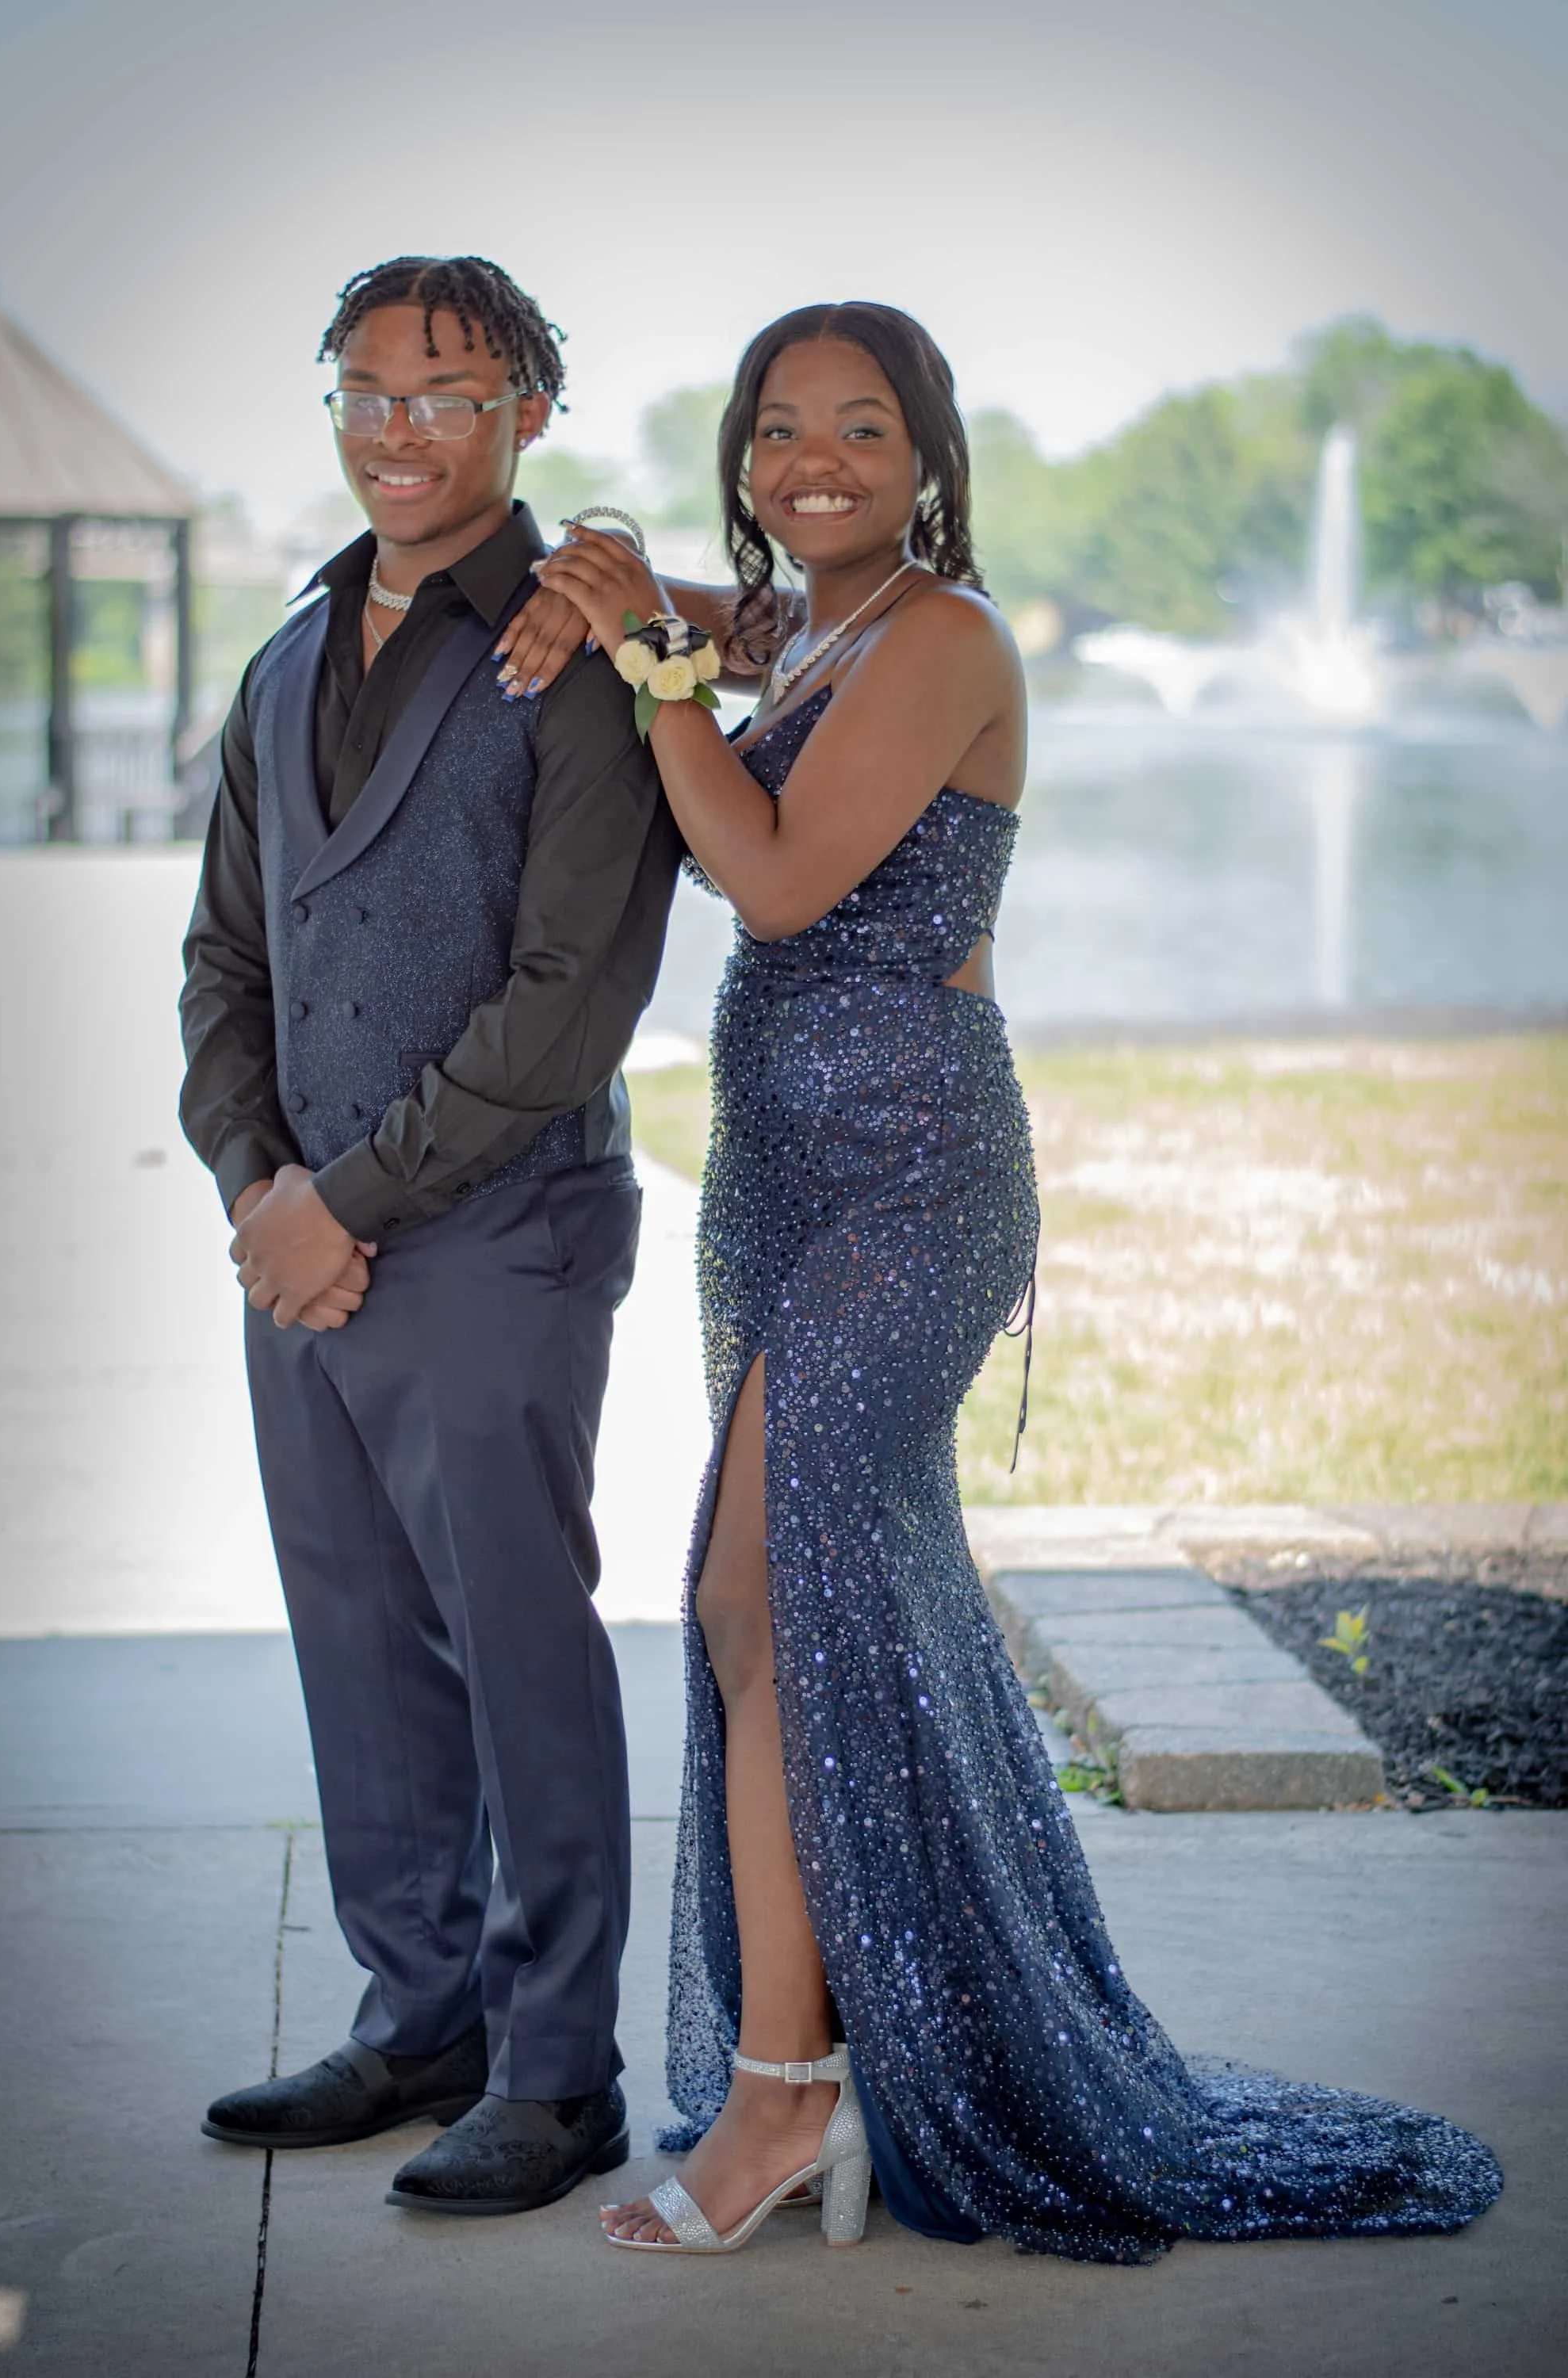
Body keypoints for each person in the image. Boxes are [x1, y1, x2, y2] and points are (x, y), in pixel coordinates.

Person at [497, 300, 1503, 2258]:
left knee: (759, 1598)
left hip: (914, 1185)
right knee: (787, 1610)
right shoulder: (808, 630)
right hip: (777, 1174)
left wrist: (651, 664)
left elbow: (775, 876)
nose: (814, 461)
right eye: (778, 429)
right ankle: (832, 2062)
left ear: (929, 458)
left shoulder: (943, 638)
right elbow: (666, 607)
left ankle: (786, 2100)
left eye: (861, 428)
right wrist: (598, 573)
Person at [178, 254, 681, 2216]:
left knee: (515, 1644)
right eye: (367, 390)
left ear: (526, 414)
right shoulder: (282, 661)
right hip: (297, 1238)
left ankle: (558, 2075)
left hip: (498, 1223)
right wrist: (256, 1188)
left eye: (449, 392)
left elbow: (571, 1002)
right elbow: (224, 966)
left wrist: (344, 1202)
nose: (402, 429)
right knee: (358, 1636)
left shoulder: (582, 652)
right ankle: (421, 2022)